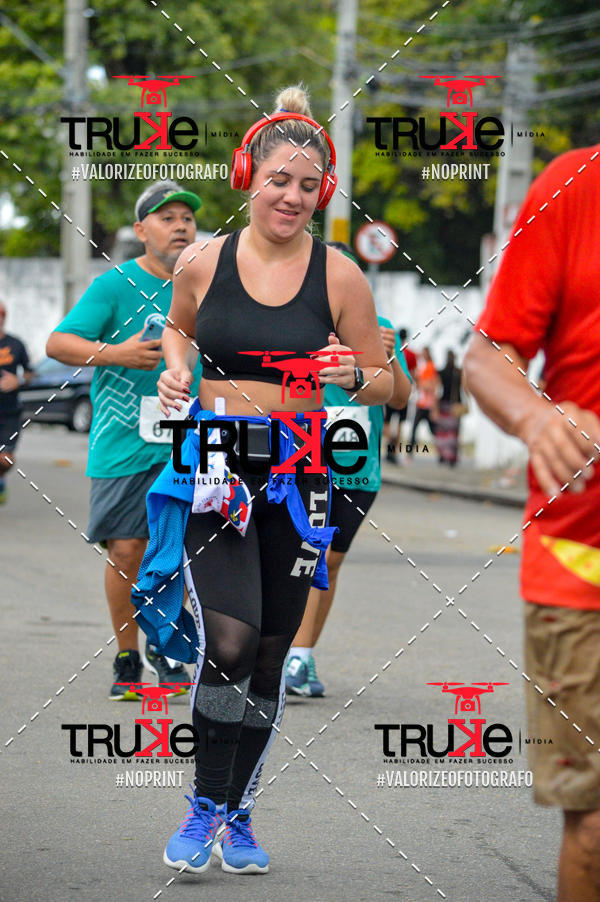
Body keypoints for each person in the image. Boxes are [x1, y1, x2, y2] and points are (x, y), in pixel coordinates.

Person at [140, 85, 392, 876]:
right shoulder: (202, 261)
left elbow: (395, 386)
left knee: (272, 649)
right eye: (278, 179)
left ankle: (240, 808)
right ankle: (204, 801)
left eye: (307, 185)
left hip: (299, 469)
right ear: (249, 175)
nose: (291, 195)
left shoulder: (343, 277)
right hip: (216, 463)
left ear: (324, 191)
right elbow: (177, 329)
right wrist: (176, 374)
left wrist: (358, 372)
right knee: (230, 638)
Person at [463, 144, 600, 902]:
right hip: (581, 564)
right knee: (595, 819)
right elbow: (486, 357)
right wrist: (536, 413)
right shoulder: (574, 185)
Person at [46, 180, 203, 699]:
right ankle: (128, 657)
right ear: (141, 231)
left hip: (193, 440)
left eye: (186, 217)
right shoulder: (115, 286)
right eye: (166, 217)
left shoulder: (207, 283)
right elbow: (58, 343)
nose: (180, 225)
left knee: (187, 553)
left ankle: (171, 648)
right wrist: (114, 354)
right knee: (128, 550)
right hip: (123, 442)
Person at [286, 242, 412, 697]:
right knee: (309, 554)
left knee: (331, 562)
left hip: (359, 464)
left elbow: (400, 399)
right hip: (305, 453)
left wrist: (387, 357)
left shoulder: (378, 329)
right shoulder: (295, 324)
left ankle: (302, 657)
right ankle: (291, 656)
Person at [0, 303, 35, 503]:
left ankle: (1, 479)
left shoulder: (15, 344)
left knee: (5, 459)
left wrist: (18, 380)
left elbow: (30, 374)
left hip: (9, 412)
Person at [383, 327, 417, 464]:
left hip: (390, 388)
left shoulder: (391, 348)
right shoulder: (411, 354)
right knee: (400, 424)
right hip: (403, 390)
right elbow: (413, 375)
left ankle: (389, 441)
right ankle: (394, 449)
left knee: (387, 421)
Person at [435, 349, 465, 466]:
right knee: (454, 433)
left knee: (443, 432)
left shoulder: (441, 372)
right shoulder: (459, 371)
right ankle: (452, 456)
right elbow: (465, 387)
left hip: (444, 403)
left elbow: (438, 389)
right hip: (456, 404)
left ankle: (443, 455)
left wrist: (435, 406)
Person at [407, 346, 439, 453]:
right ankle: (410, 451)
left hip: (428, 404)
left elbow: (432, 385)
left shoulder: (431, 366)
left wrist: (434, 408)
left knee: (433, 430)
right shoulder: (422, 367)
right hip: (420, 403)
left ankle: (441, 451)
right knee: (414, 428)